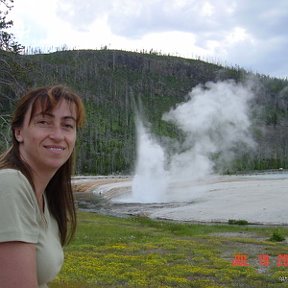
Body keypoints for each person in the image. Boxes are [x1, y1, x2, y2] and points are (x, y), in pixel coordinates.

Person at [0, 85, 85, 287]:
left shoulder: (43, 195)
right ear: (19, 132)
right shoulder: (10, 184)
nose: (57, 135)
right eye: (44, 122)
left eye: (67, 125)